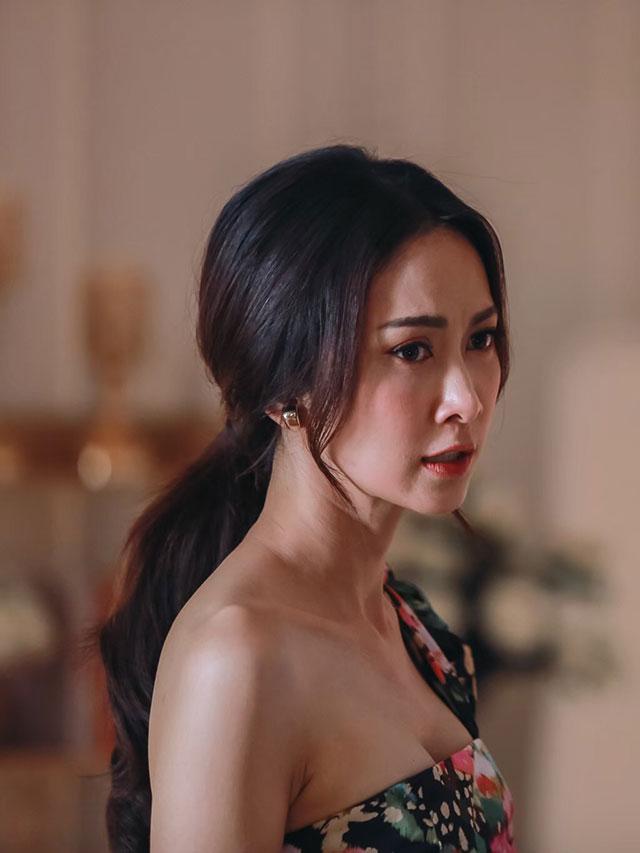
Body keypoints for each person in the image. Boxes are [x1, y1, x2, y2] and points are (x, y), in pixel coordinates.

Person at [95, 146, 517, 852]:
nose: (466, 399)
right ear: (286, 386)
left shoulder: (415, 625)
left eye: (481, 339)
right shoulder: (237, 659)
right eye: (412, 350)